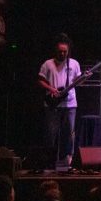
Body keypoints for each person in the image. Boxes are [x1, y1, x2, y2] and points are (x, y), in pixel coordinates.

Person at [38, 34, 82, 167]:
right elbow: (40, 80)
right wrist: (51, 89)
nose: (62, 54)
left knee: (69, 133)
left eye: (65, 51)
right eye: (60, 51)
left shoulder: (74, 64)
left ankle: (68, 158)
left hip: (70, 104)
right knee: (51, 133)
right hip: (53, 104)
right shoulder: (48, 64)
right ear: (55, 50)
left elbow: (77, 82)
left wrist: (83, 79)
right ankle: (49, 159)